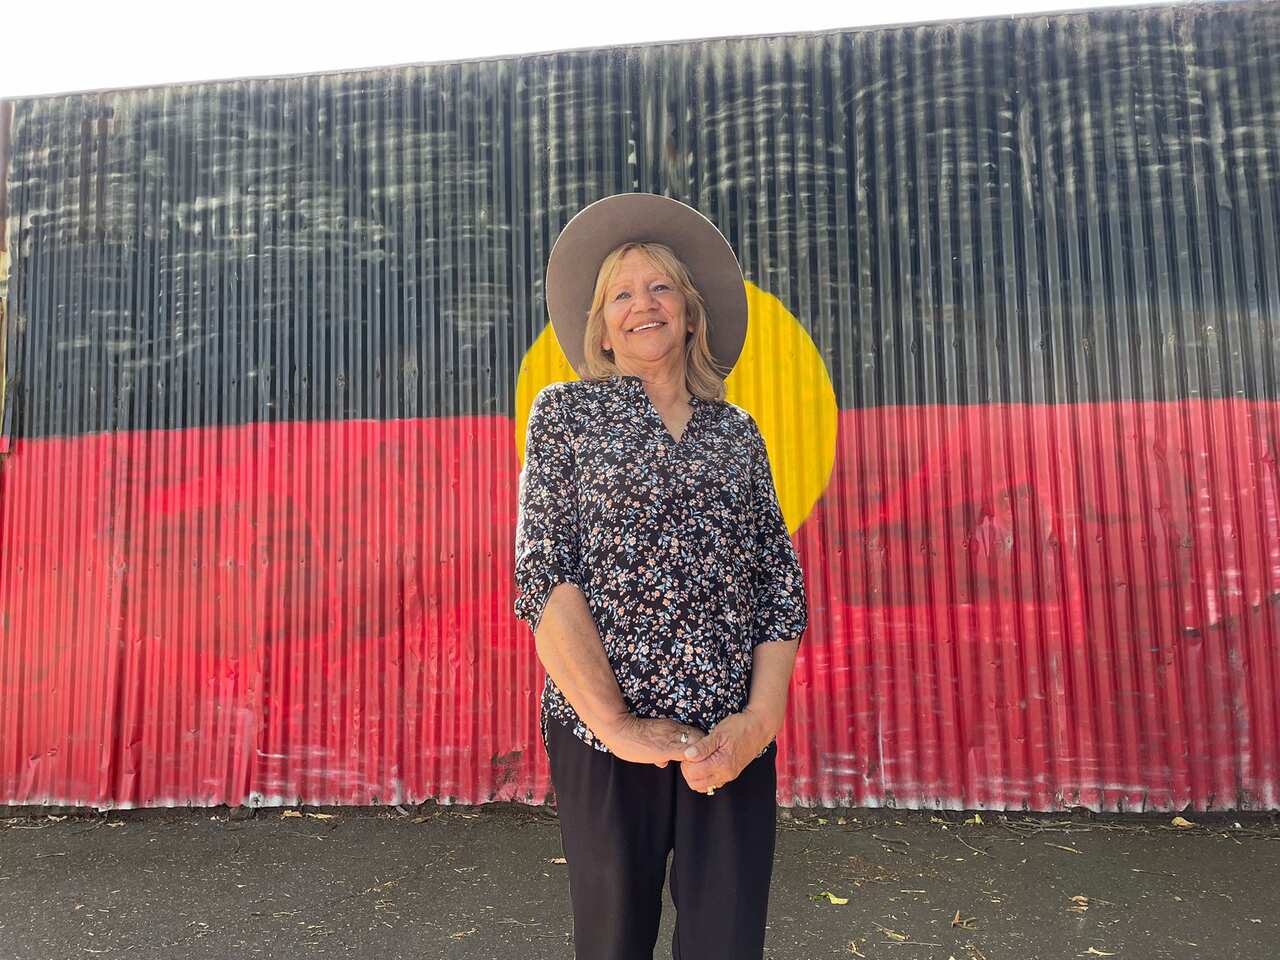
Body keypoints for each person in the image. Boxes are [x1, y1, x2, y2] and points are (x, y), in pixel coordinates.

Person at [513, 192, 809, 960]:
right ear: (603, 325)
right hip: (601, 739)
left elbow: (779, 587)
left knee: (727, 941)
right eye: (621, 293)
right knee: (613, 942)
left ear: (689, 312)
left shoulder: (735, 432)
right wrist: (618, 726)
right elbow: (546, 572)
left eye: (660, 287)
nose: (642, 305)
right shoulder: (566, 416)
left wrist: (758, 724)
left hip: (727, 738)